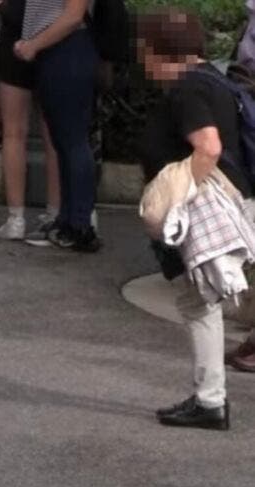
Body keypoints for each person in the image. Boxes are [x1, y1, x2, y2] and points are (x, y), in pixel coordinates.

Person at [135, 9, 247, 430]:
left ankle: (210, 400)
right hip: (226, 207)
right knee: (204, 302)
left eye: (143, 50)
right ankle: (209, 398)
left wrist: (177, 198)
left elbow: (209, 147)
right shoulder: (216, 81)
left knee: (198, 303)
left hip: (200, 214)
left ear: (155, 51)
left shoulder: (187, 90)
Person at [12, 0, 102, 251]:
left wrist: (32, 45)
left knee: (72, 139)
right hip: (57, 52)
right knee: (63, 141)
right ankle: (67, 221)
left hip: (68, 50)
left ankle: (80, 224)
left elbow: (73, 16)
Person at [0, 0, 63, 241]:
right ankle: (54, 212)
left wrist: (2, 7)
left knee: (13, 132)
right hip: (54, 36)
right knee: (55, 135)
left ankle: (15, 217)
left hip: (13, 36)